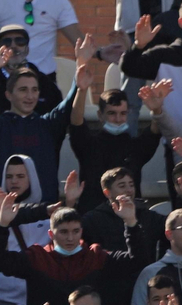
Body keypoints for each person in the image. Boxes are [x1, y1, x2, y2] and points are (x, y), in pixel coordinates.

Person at [0, 191, 155, 305]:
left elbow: (138, 260)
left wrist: (131, 222)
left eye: (75, 231)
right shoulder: (37, 258)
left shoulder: (95, 257)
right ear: (51, 234)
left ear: (81, 232)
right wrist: (1, 225)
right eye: (64, 232)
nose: (70, 238)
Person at [0, 66, 75, 200]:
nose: (30, 96)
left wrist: (78, 78)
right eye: (23, 90)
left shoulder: (47, 125)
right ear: (8, 95)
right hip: (0, 214)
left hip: (43, 214)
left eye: (35, 90)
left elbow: (68, 106)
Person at [68, 65, 163, 212]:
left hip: (129, 217)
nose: (118, 118)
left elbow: (155, 131)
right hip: (94, 216)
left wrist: (157, 108)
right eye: (112, 113)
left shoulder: (136, 147)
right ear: (100, 115)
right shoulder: (89, 145)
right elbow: (76, 122)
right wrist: (82, 90)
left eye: (123, 113)